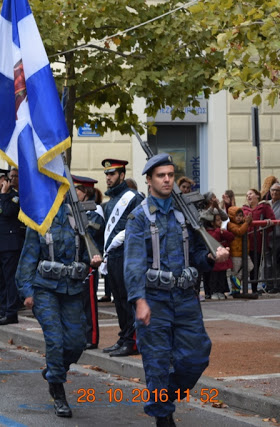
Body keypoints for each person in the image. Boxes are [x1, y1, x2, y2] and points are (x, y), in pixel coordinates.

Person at [124, 153, 230, 427]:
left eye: (170, 174)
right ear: (149, 180)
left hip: (185, 298)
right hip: (154, 300)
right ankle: (162, 416)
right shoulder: (138, 218)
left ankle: (161, 400)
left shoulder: (186, 214)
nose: (167, 179)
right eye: (161, 175)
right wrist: (139, 300)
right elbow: (133, 263)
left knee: (197, 357)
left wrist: (210, 258)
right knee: (157, 364)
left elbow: (195, 253)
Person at [16, 197, 102, 418]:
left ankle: (55, 370)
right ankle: (57, 388)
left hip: (72, 289)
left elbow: (89, 250)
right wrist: (27, 291)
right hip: (44, 289)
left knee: (76, 342)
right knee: (55, 339)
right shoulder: (39, 219)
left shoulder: (79, 218)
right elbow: (28, 257)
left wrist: (93, 258)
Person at [100, 158, 143, 357]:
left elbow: (138, 225)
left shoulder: (133, 197)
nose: (108, 178)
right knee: (118, 300)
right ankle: (124, 337)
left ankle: (133, 341)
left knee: (128, 299)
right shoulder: (110, 203)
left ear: (122, 175)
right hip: (113, 256)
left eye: (112, 174)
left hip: (128, 255)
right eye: (107, 174)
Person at [0, 167, 25, 325]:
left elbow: (9, 212)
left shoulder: (13, 197)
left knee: (9, 280)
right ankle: (3, 309)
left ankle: (11, 312)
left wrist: (4, 194)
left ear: (7, 181)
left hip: (9, 244)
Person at [73, 175, 105, 350]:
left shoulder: (95, 212)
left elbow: (92, 235)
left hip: (90, 262)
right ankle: (82, 335)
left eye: (77, 189)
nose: (75, 193)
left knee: (89, 304)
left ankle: (91, 338)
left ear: (86, 192)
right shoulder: (80, 212)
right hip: (80, 262)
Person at [242, 188, 276, 293]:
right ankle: (240, 288)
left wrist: (266, 222)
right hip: (245, 241)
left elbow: (272, 221)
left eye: (251, 194)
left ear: (257, 195)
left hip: (259, 242)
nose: (248, 196)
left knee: (255, 265)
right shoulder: (244, 209)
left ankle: (254, 288)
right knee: (243, 266)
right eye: (247, 195)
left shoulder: (264, 207)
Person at [226, 206, 253, 296]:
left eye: (241, 215)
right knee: (235, 270)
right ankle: (235, 290)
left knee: (250, 266)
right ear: (232, 216)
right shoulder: (230, 225)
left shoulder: (243, 223)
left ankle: (236, 278)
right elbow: (239, 231)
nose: (239, 218)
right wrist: (246, 223)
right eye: (236, 216)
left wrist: (248, 220)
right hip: (235, 253)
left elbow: (246, 227)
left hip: (244, 252)